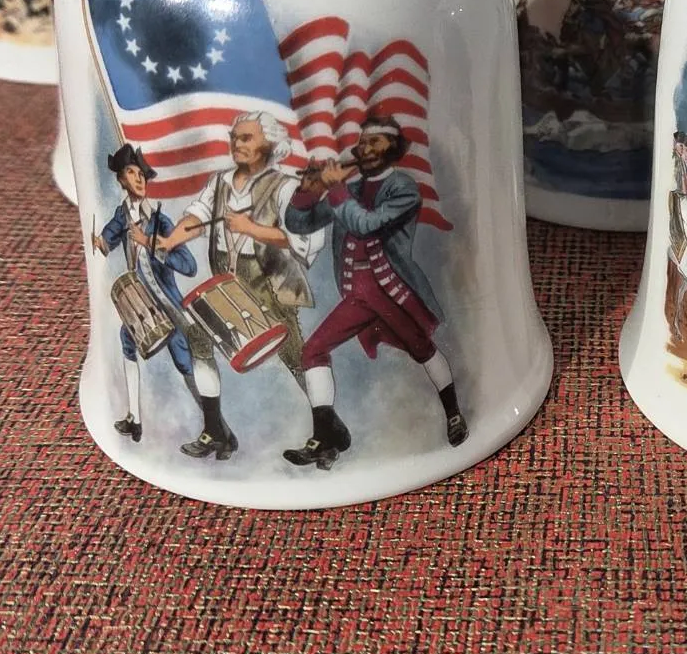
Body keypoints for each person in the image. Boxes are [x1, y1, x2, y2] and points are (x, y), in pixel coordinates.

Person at [282, 117, 467, 470]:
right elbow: (300, 223)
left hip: (391, 289)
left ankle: (454, 414)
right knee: (313, 351)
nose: (365, 148)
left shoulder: (404, 189)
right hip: (358, 292)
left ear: (393, 148)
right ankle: (324, 438)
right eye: (363, 142)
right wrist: (306, 191)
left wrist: (335, 188)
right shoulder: (351, 188)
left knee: (421, 348)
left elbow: (366, 225)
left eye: (375, 142)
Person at [155, 111, 325, 459]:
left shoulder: (286, 187)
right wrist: (171, 240)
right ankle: (215, 431)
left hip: (269, 280)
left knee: (296, 356)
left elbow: (305, 241)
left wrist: (252, 229)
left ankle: (327, 432)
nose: (237, 143)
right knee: (198, 340)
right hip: (227, 278)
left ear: (270, 143)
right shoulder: (220, 182)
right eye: (234, 137)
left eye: (246, 137)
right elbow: (197, 217)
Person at [92, 145, 205, 447]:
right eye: (131, 172)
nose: (139, 178)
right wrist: (99, 242)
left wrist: (152, 244)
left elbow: (189, 266)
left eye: (142, 173)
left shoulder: (160, 221)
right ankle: (135, 419)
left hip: (168, 305)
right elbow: (107, 237)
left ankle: (215, 426)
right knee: (127, 341)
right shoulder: (122, 215)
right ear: (121, 179)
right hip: (142, 306)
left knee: (185, 362)